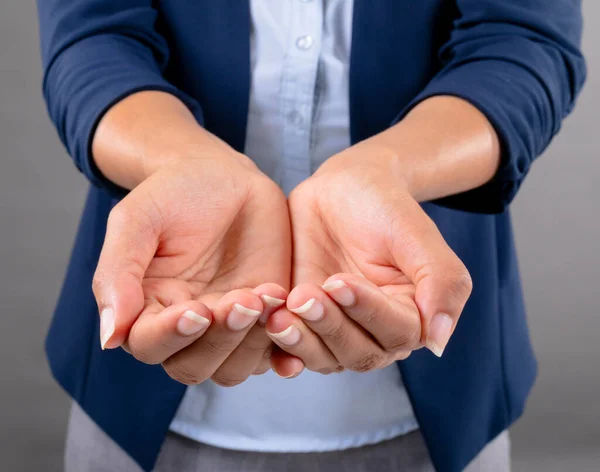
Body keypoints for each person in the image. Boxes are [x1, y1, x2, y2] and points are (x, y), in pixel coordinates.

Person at [36, 1, 586, 471]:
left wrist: (387, 170)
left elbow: (522, 41)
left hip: (441, 399)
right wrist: (182, 161)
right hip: (137, 399)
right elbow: (93, 35)